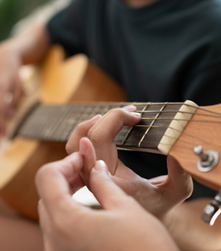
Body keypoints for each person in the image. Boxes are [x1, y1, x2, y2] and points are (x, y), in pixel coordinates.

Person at [1, 0, 221, 249]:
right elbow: (50, 30)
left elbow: (214, 234)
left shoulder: (212, 39)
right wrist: (11, 50)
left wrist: (157, 213)